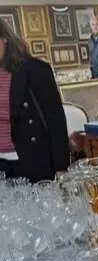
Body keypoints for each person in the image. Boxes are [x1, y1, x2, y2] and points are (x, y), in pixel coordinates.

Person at [0, 19, 69, 182]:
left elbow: (55, 120)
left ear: (5, 38)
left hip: (30, 162)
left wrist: (61, 168)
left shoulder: (34, 70)